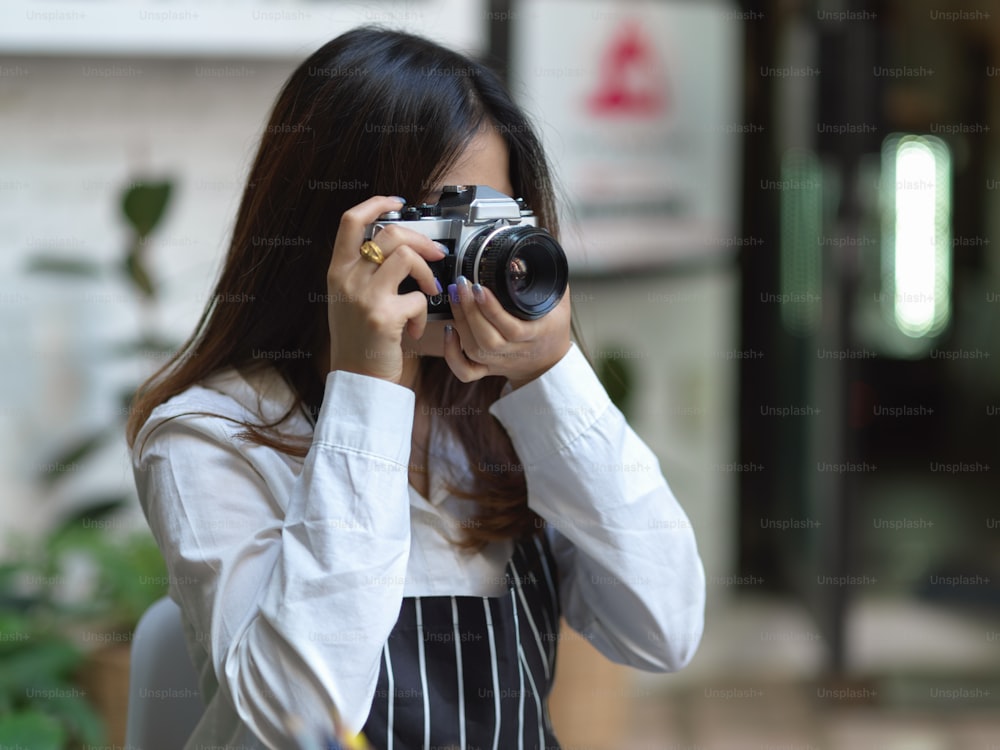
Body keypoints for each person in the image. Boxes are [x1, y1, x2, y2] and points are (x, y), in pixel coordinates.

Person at [127, 26, 705, 750]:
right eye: (440, 225)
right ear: (323, 228)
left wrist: (551, 378)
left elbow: (664, 629)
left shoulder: (504, 411)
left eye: (492, 223)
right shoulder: (210, 433)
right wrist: (366, 388)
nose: (471, 259)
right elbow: (296, 718)